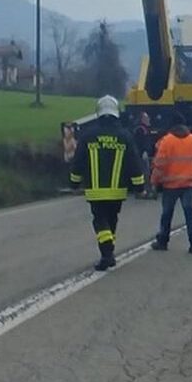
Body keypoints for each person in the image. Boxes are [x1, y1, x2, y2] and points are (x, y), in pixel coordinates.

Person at [69, 95, 145, 271]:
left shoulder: (88, 136)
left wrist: (74, 183)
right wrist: (140, 186)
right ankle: (109, 251)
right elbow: (134, 162)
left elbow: (78, 162)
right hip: (117, 191)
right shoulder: (124, 136)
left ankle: (106, 255)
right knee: (111, 220)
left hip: (96, 191)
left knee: (100, 221)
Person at [150, 111, 192, 255]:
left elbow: (160, 164)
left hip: (170, 185)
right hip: (188, 184)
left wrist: (154, 182)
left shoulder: (166, 141)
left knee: (167, 214)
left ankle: (163, 241)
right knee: (189, 212)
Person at [132, 111, 156, 200]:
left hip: (142, 154)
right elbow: (140, 142)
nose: (148, 119)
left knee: (146, 172)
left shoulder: (143, 129)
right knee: (145, 173)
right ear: (142, 119)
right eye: (146, 118)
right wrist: (144, 151)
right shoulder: (141, 129)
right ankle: (144, 191)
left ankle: (145, 190)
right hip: (142, 155)